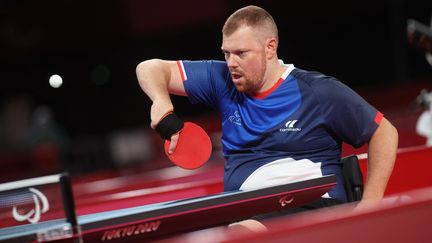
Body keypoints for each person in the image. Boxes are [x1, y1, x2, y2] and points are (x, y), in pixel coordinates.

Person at [136, 5, 398, 224]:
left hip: (314, 209)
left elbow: (384, 132)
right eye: (226, 53)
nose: (231, 63)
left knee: (246, 231)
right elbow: (149, 68)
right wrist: (161, 101)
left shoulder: (318, 91)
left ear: (270, 48)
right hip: (245, 211)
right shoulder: (222, 79)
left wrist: (370, 205)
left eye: (241, 53)